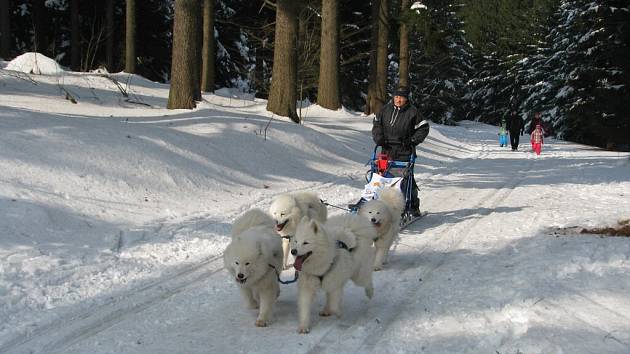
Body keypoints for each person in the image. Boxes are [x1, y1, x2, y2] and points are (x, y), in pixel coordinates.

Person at [371, 86, 430, 217]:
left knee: (403, 180)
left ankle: (412, 205)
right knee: (382, 178)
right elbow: (376, 125)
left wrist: (412, 140)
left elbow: (423, 128)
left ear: (406, 98)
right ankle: (378, 205)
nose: (398, 100)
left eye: (401, 97)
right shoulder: (385, 110)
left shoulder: (413, 112)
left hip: (404, 151)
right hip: (386, 150)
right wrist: (378, 138)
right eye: (396, 97)